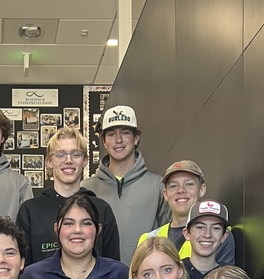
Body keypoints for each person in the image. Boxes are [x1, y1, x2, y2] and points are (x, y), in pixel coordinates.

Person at [16, 125, 120, 263]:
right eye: (60, 154)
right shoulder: (30, 211)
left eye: (76, 154)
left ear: (85, 160)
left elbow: (112, 267)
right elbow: (22, 267)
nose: (69, 160)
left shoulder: (101, 209)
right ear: (49, 162)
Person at [81, 105, 169, 263]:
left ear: (136, 138)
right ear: (104, 141)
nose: (118, 140)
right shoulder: (85, 189)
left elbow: (168, 240)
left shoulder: (158, 186)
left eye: (125, 133)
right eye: (112, 134)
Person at [138, 161, 235, 266]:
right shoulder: (148, 239)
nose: (181, 190)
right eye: (173, 186)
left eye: (189, 184)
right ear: (165, 194)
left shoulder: (218, 235)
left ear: (202, 190)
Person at [181, 200, 232, 279]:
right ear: (187, 233)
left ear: (224, 236)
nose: (207, 235)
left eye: (215, 228)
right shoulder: (174, 274)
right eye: (200, 227)